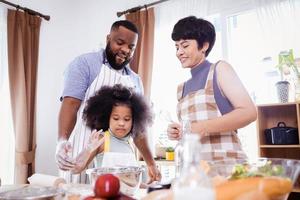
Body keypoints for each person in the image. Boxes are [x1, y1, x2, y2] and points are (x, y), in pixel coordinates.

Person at [56, 20, 161, 183]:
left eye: (131, 47)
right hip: (80, 149)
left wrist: (151, 162)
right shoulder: (85, 64)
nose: (125, 50)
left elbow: (138, 130)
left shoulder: (135, 80)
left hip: (116, 165)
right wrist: (62, 141)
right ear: (108, 39)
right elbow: (70, 105)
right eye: (120, 43)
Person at [167, 16, 257, 161]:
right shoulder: (181, 89)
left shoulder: (220, 69)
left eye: (184, 45)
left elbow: (249, 112)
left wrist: (198, 127)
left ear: (204, 46)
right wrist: (178, 131)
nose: (179, 52)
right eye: (177, 47)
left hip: (226, 165)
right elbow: (189, 130)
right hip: (195, 170)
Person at [70, 84, 152, 174]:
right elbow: (75, 170)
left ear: (134, 120)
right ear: (107, 118)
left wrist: (148, 187)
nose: (121, 123)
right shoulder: (102, 140)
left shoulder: (130, 143)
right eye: (116, 118)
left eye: (127, 119)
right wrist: (88, 149)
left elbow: (132, 180)